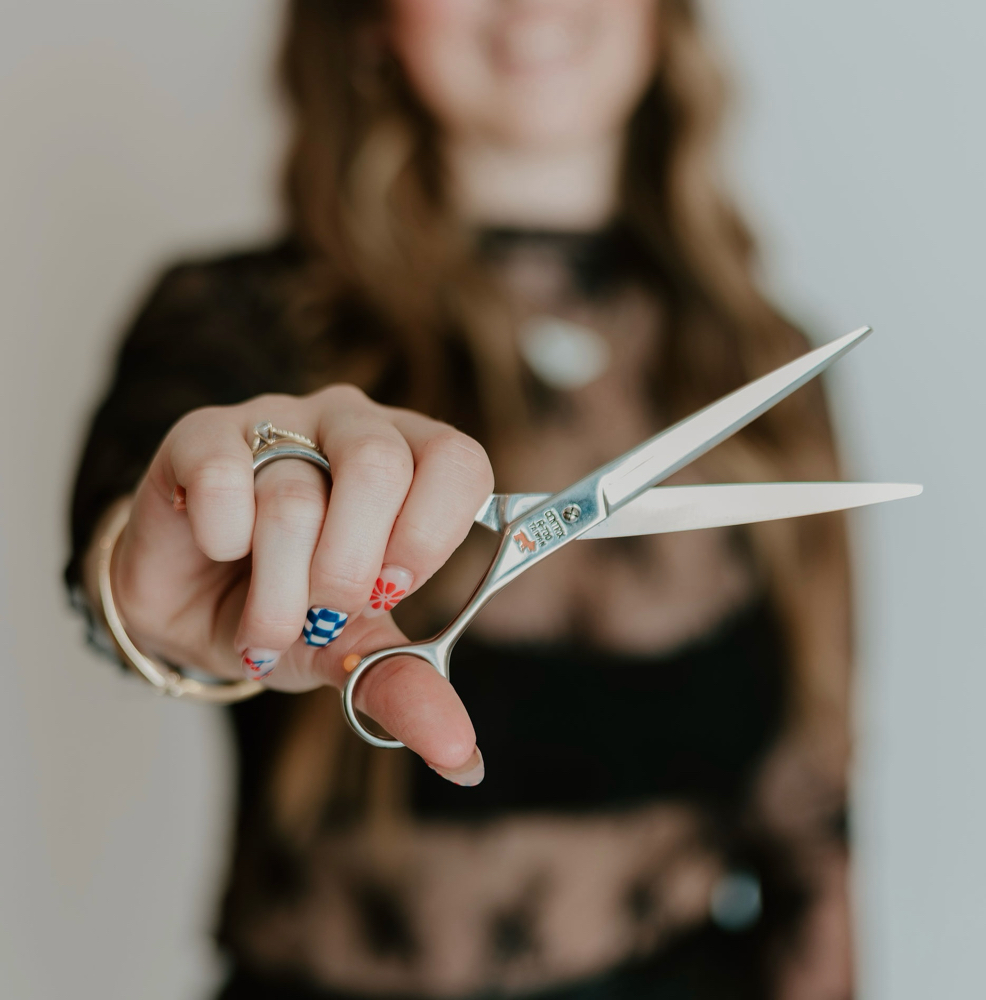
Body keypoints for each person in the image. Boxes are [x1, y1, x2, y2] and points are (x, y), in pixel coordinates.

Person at [67, 1, 854, 997]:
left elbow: (814, 819)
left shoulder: (768, 370)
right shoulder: (235, 325)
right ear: (364, 21)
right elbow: (119, 536)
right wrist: (141, 587)